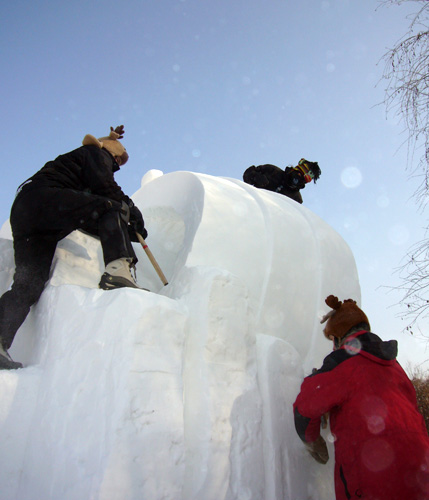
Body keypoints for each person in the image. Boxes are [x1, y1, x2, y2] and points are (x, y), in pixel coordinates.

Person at [0, 125, 147, 370]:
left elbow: (89, 215)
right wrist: (130, 208)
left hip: (30, 214)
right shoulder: (95, 153)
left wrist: (128, 229)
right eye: (118, 160)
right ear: (110, 152)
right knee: (112, 205)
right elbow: (105, 189)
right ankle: (117, 271)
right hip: (45, 198)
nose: (117, 165)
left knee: (28, 285)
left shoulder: (77, 170)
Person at [293, 295, 429, 500]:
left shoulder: (343, 362)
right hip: (421, 476)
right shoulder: (396, 367)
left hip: (375, 481)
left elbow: (305, 407)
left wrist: (311, 439)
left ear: (338, 337)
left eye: (332, 340)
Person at [242, 158, 321, 203]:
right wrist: (255, 177)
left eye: (304, 179)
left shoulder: (296, 199)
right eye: (299, 173)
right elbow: (248, 174)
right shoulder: (272, 171)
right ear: (294, 169)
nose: (298, 178)